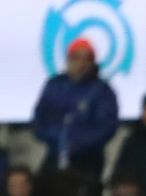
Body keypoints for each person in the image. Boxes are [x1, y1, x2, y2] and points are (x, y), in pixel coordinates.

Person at [32, 39, 119, 174]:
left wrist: (75, 142)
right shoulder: (54, 85)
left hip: (88, 160)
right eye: (76, 58)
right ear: (68, 60)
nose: (81, 64)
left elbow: (106, 126)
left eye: (86, 59)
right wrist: (57, 138)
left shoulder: (102, 90)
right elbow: (40, 119)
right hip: (55, 154)